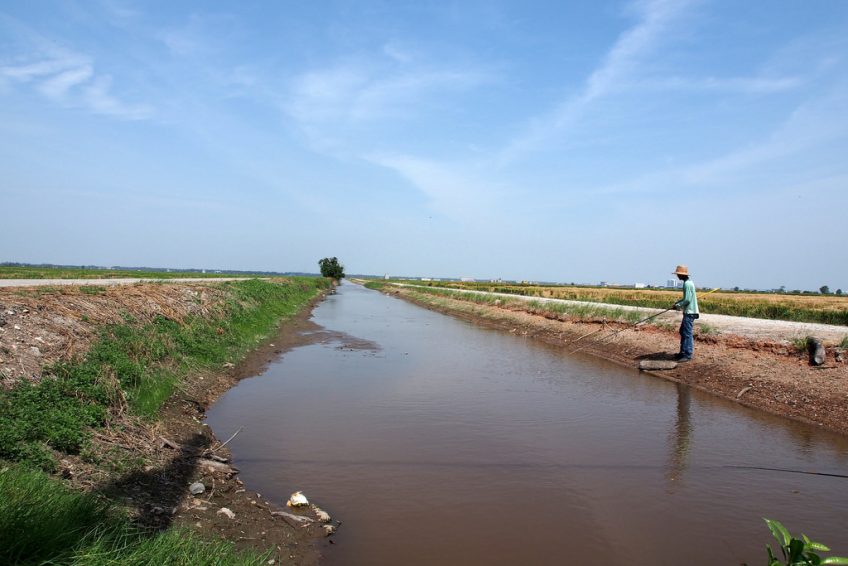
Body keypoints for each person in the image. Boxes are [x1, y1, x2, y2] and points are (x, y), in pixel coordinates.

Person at [672, 265, 699, 362]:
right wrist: (677, 303)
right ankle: (683, 352)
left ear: (682, 275)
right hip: (689, 311)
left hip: (690, 312)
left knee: (687, 333)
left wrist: (678, 305)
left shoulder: (687, 284)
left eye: (678, 274)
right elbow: (685, 298)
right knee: (683, 332)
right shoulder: (689, 283)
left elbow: (687, 300)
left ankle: (687, 354)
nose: (677, 276)